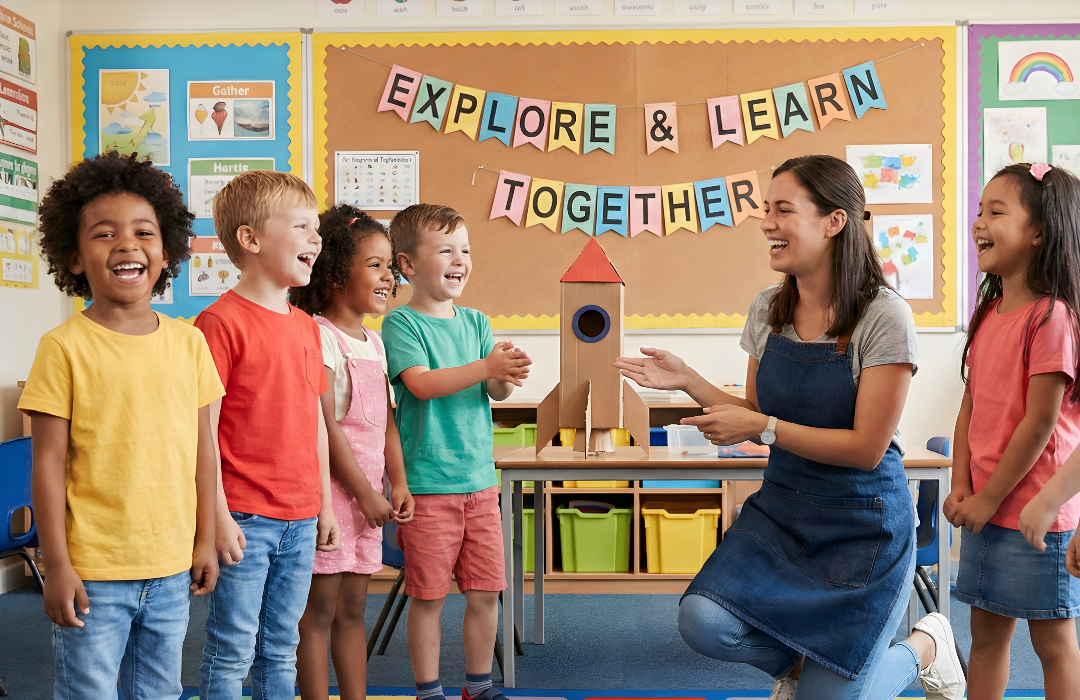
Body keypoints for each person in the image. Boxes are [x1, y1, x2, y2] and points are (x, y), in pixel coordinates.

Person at [615, 155, 965, 700]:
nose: (766, 224)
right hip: (786, 511)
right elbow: (755, 410)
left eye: (783, 210)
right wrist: (688, 379)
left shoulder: (883, 315)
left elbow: (866, 449)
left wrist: (765, 426)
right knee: (704, 621)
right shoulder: (767, 308)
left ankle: (924, 647)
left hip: (863, 525)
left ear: (834, 221)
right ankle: (806, 672)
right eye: (765, 210)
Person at [18, 152, 223, 698]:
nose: (127, 244)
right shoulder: (62, 348)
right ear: (75, 257)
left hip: (170, 566)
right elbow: (47, 463)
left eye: (143, 232)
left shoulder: (191, 343)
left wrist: (206, 537)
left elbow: (205, 450)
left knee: (160, 692)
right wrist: (55, 563)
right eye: (105, 234)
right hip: (93, 573)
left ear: (166, 250)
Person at [195, 170, 340, 699]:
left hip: (301, 518)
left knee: (282, 645)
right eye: (301, 227)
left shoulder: (306, 326)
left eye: (316, 228)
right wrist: (216, 515)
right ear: (250, 240)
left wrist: (324, 504)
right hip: (245, 519)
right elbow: (202, 433)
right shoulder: (218, 324)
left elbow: (316, 425)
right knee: (233, 646)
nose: (315, 239)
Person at [381, 204, 531, 700]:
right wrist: (485, 365)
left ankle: (478, 686)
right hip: (427, 487)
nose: (459, 259)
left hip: (479, 485)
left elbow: (494, 393)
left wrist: (504, 373)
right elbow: (422, 386)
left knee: (487, 591)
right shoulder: (401, 325)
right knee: (427, 596)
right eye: (445, 250)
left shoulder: (476, 321)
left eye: (464, 250)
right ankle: (428, 690)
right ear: (407, 265)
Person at [945, 162, 1080, 699]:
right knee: (985, 634)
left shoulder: (1051, 318)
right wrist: (962, 485)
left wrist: (989, 497)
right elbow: (969, 408)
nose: (979, 222)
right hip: (985, 507)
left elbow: (1040, 420)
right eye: (979, 210)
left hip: (1034, 511)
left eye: (996, 211)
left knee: (1051, 638)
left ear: (1040, 231)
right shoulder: (990, 314)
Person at [291, 205, 416, 699]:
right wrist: (364, 494)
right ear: (339, 272)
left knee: (353, 611)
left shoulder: (376, 342)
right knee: (317, 613)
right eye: (376, 264)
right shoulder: (318, 334)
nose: (390, 275)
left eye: (390, 266)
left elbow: (386, 422)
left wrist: (398, 482)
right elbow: (326, 428)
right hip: (334, 499)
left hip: (369, 500)